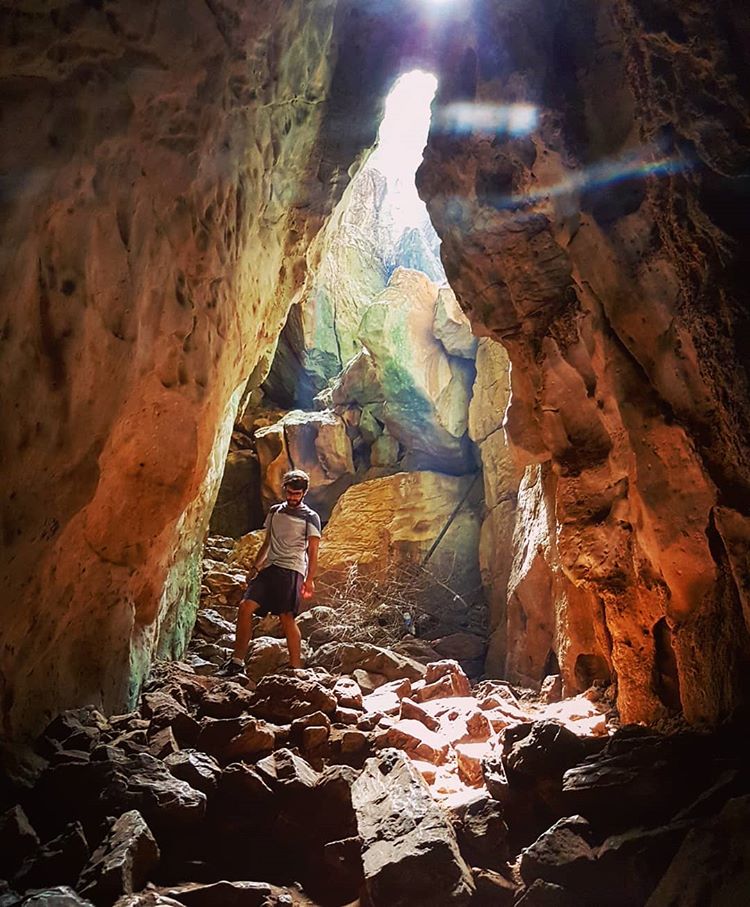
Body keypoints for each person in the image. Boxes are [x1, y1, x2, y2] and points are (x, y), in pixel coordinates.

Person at [217, 469, 321, 676]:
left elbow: (313, 551)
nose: (292, 497)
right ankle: (237, 662)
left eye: (296, 494)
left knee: (286, 617)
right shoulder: (275, 512)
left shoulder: (311, 517)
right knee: (245, 607)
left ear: (303, 494)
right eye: (289, 492)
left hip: (292, 570)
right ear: (284, 490)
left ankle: (295, 668)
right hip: (270, 568)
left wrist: (309, 580)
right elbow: (267, 542)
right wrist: (255, 567)